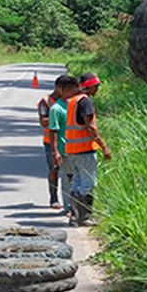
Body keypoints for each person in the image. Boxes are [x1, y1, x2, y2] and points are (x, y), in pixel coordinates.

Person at [61, 72, 112, 226]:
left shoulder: (72, 101)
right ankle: (85, 217)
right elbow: (90, 127)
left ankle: (75, 217)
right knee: (87, 184)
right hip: (84, 150)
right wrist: (104, 147)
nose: (97, 89)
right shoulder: (85, 102)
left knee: (76, 183)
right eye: (96, 86)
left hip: (72, 150)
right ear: (89, 86)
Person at [37, 75, 71, 209]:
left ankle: (70, 201)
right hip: (50, 141)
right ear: (58, 88)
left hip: (69, 140)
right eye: (67, 89)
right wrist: (57, 118)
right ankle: (54, 198)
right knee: (54, 169)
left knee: (70, 171)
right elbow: (43, 121)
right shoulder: (45, 102)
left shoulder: (70, 101)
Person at [47, 75, 79, 216]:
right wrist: (55, 152)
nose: (75, 92)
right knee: (68, 180)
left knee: (78, 179)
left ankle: (78, 207)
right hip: (64, 150)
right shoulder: (56, 109)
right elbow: (52, 131)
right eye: (72, 90)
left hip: (78, 149)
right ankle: (68, 207)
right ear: (63, 90)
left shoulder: (75, 104)